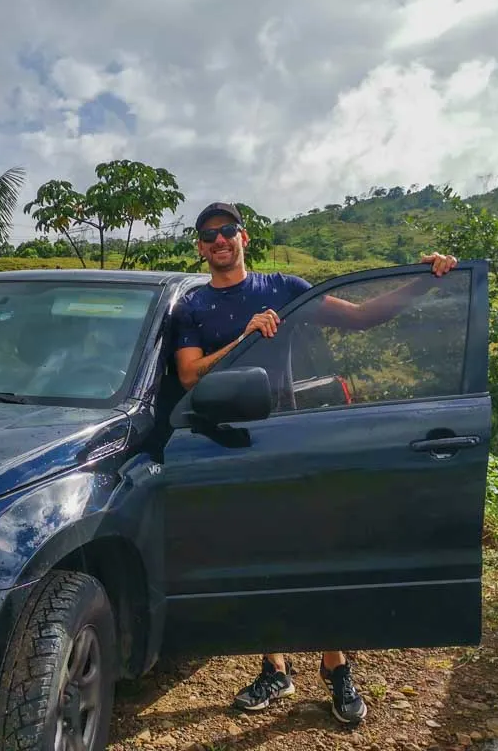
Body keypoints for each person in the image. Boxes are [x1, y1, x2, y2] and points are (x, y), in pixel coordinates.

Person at [170, 201, 458, 725]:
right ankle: (274, 667)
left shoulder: (282, 287)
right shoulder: (193, 307)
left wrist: (425, 279)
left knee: (313, 554)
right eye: (209, 235)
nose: (219, 241)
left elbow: (363, 317)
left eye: (227, 231)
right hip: (227, 446)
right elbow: (191, 377)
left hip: (290, 437)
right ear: (200, 246)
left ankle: (337, 665)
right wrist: (247, 337)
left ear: (244, 237)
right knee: (258, 558)